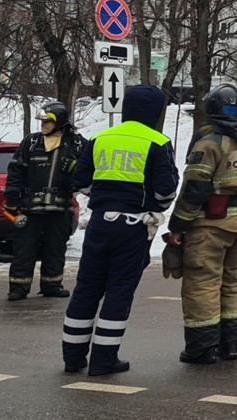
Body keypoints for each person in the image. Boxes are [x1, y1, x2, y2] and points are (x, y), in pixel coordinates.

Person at [60, 84, 179, 376]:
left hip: (100, 221)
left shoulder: (100, 138)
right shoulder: (157, 141)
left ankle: (73, 358)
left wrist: (103, 195)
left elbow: (81, 179)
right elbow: (166, 192)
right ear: (155, 112)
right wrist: (149, 203)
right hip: (132, 226)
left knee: (87, 288)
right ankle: (103, 360)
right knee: (119, 292)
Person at [166, 84, 237, 365]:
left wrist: (178, 227)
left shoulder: (209, 144)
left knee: (202, 284)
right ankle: (230, 344)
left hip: (209, 227)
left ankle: (202, 348)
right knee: (233, 282)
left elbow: (194, 191)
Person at [4, 101, 86, 301]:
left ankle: (52, 284)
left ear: (60, 122)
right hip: (31, 208)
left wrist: (74, 169)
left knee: (55, 248)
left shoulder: (78, 144)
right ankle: (18, 287)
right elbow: (15, 170)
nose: (43, 126)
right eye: (42, 122)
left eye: (48, 122)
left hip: (60, 209)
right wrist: (13, 199)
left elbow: (87, 175)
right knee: (24, 249)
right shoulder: (31, 142)